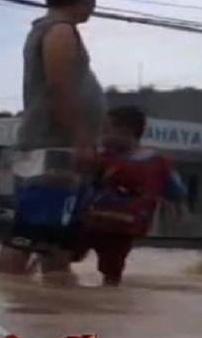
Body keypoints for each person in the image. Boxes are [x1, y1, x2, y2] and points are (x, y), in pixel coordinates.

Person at [0, 0, 104, 277]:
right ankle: (12, 297)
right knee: (29, 234)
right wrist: (81, 141)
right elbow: (60, 87)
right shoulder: (59, 31)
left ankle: (51, 309)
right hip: (53, 146)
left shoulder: (54, 30)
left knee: (55, 239)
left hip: (59, 147)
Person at [74, 106, 187, 286]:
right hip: (89, 223)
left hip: (120, 230)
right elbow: (81, 187)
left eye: (106, 130)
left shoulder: (158, 164)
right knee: (60, 258)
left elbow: (177, 193)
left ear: (127, 131)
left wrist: (179, 213)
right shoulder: (101, 158)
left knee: (111, 274)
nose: (102, 136)